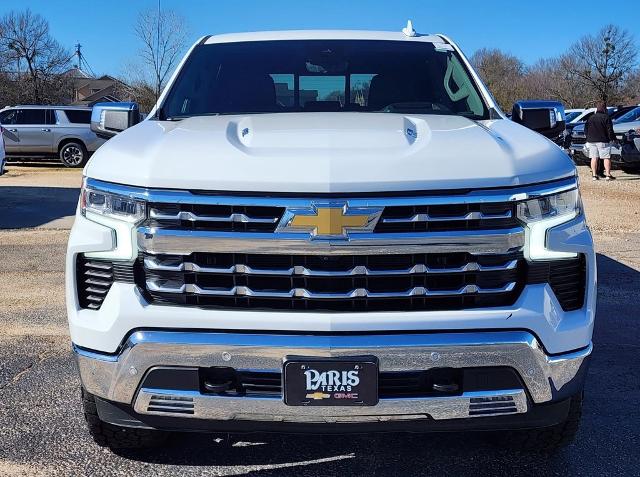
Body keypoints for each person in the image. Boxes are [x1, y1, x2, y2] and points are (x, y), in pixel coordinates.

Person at [585, 101, 616, 180]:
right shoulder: (606, 117)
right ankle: (608, 175)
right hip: (603, 140)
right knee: (606, 157)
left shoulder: (590, 117)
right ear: (604, 108)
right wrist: (612, 139)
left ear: (597, 108)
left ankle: (594, 175)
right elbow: (610, 130)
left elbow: (586, 129)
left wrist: (588, 137)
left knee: (594, 158)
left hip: (591, 141)